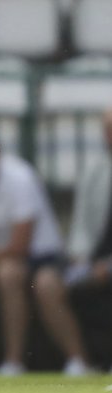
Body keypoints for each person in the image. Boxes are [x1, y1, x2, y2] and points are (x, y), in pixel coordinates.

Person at [0, 129, 92, 377]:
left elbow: (20, 246)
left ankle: (79, 360)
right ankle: (13, 362)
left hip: (44, 255)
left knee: (45, 284)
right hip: (1, 260)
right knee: (8, 274)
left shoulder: (20, 177)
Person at [65, 108, 112, 291]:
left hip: (105, 265)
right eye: (107, 129)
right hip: (95, 261)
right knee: (48, 283)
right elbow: (81, 225)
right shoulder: (93, 171)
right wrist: (79, 257)